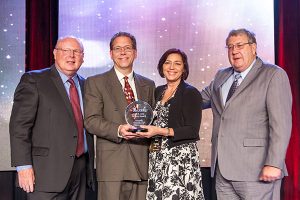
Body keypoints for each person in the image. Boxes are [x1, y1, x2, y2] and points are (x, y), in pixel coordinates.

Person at [201, 28, 292, 199]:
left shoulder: (273, 75)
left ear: (253, 47)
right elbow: (196, 101)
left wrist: (274, 163)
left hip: (256, 170)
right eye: (230, 46)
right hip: (223, 171)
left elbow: (281, 125)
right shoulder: (222, 75)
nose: (234, 50)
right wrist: (170, 91)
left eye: (239, 45)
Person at [9, 36, 95, 200]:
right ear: (55, 53)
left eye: (76, 51)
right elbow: (19, 126)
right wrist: (23, 166)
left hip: (80, 171)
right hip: (45, 173)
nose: (71, 55)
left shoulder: (87, 86)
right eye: (66, 50)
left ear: (82, 57)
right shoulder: (34, 80)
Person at [84, 32, 155, 200]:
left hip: (142, 163)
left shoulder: (148, 84)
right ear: (111, 54)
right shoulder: (95, 82)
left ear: (135, 53)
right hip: (112, 166)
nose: (123, 52)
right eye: (117, 48)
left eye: (128, 48)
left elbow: (152, 120)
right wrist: (118, 129)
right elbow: (91, 121)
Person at [137, 48, 205, 200]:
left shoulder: (190, 92)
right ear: (162, 66)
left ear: (184, 68)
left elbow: (192, 131)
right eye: (167, 63)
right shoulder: (158, 91)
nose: (172, 67)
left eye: (177, 63)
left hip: (179, 160)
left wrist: (160, 131)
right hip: (158, 157)